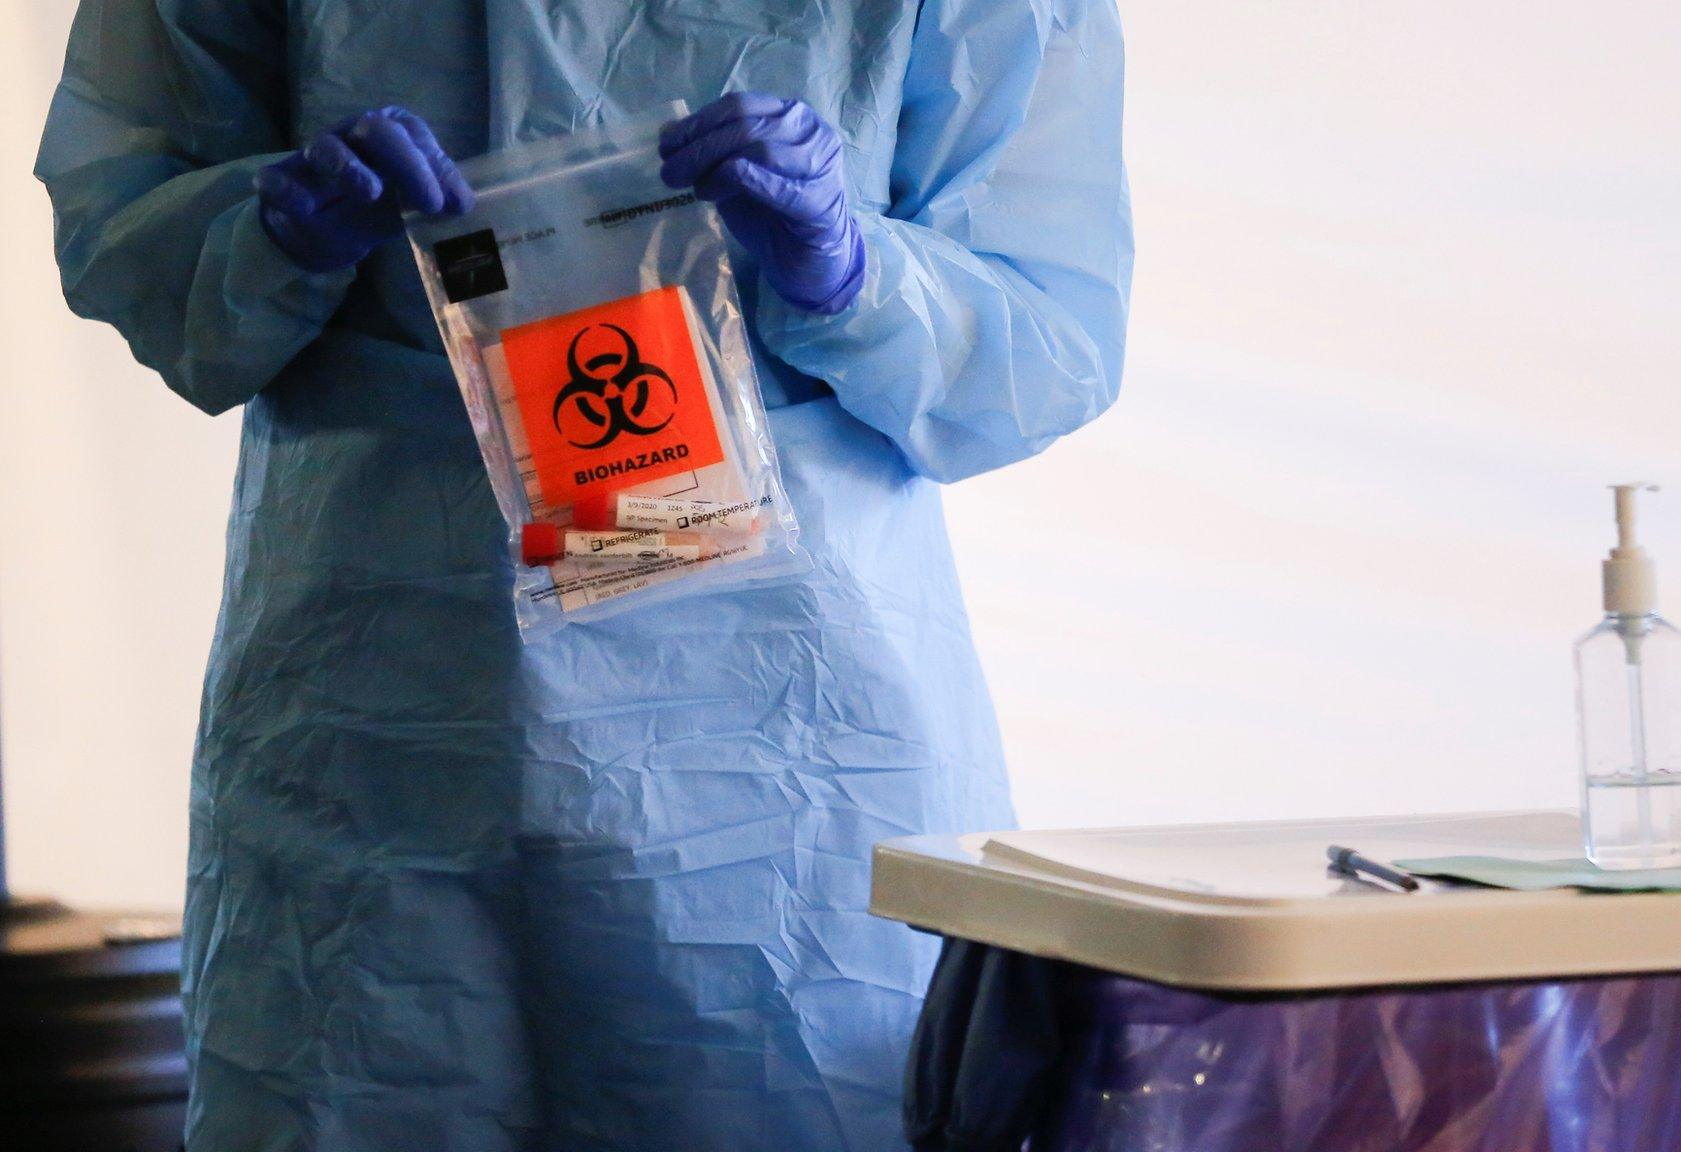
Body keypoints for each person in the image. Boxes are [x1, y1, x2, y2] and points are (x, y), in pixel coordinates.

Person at [35, 0, 1130, 1148]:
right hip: (381, 715)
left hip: (787, 735)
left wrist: (853, 269)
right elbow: (135, 221)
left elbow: (1040, 338)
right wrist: (272, 231)